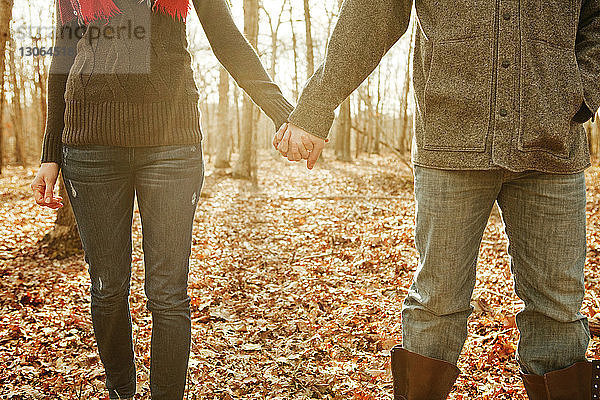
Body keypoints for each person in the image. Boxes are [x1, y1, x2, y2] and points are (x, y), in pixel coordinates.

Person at [273, 0, 600, 398]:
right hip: (450, 139)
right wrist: (317, 105)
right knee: (436, 304)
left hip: (554, 143)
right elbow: (372, 13)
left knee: (559, 310)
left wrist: (581, 90)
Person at [30, 0, 293, 398]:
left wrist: (281, 110)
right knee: (106, 287)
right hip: (90, 145)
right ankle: (121, 391)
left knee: (168, 293)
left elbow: (227, 39)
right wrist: (50, 153)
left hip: (172, 143)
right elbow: (64, 53)